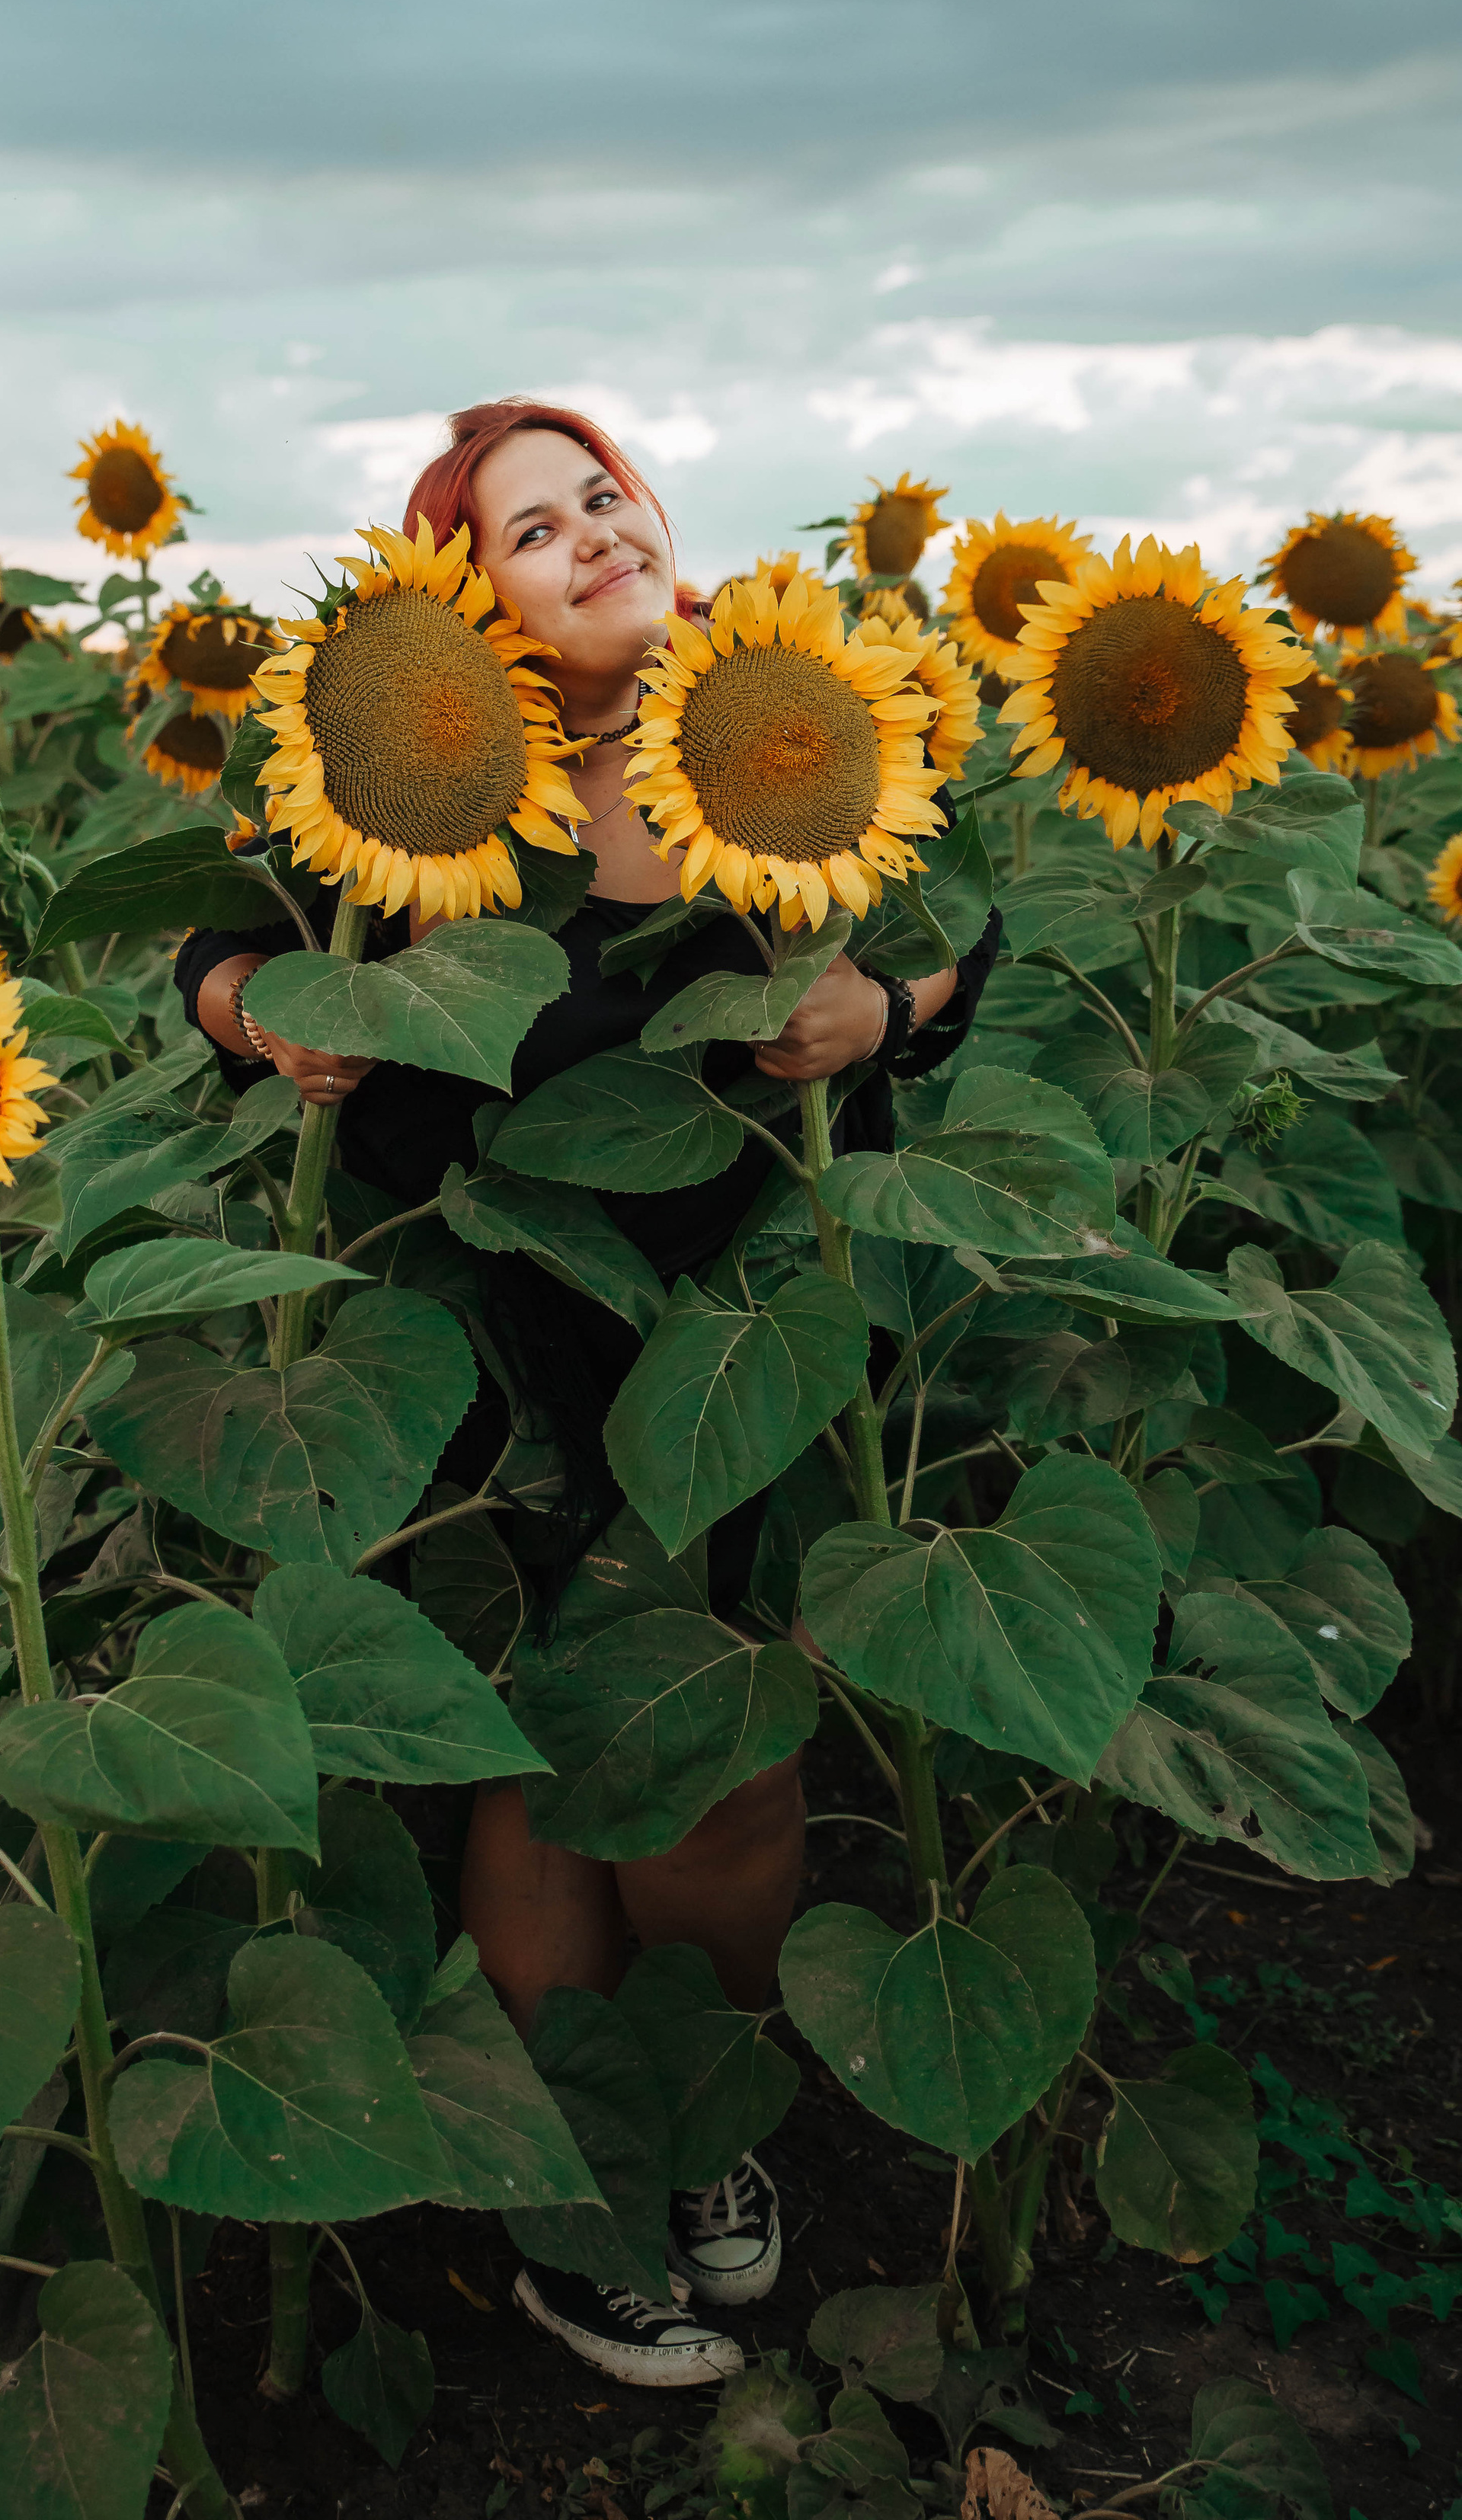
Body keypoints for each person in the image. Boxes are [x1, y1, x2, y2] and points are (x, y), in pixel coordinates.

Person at [175, 398, 1000, 2386]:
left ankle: (702, 2135)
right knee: (535, 1782)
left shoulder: (803, 714)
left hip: (749, 1332)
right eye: (534, 529)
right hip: (502, 1344)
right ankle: (574, 2206)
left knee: (720, 1782)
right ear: (469, 610)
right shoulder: (418, 794)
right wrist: (274, 1014)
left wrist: (880, 1008)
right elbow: (215, 953)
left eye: (606, 493)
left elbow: (980, 932)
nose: (596, 532)